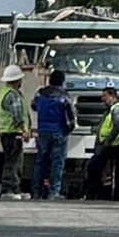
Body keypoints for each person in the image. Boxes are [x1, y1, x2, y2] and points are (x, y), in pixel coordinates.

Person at [31, 69, 77, 200]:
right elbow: (71, 116)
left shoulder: (40, 94)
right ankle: (54, 192)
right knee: (57, 162)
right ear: (62, 81)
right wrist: (69, 129)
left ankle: (36, 192)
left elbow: (34, 106)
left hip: (43, 131)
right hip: (59, 132)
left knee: (40, 162)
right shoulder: (65, 96)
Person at [83, 86, 119, 200]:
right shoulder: (112, 109)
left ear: (112, 96)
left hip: (110, 146)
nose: (102, 98)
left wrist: (108, 141)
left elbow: (118, 125)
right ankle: (96, 193)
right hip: (108, 145)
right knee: (97, 169)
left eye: (105, 96)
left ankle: (92, 193)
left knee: (93, 167)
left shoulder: (117, 108)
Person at [0, 65, 30, 200]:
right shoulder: (12, 95)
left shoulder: (6, 91)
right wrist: (24, 130)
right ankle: (8, 190)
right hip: (12, 132)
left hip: (8, 132)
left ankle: (15, 189)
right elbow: (17, 115)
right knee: (13, 162)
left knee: (16, 161)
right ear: (17, 80)